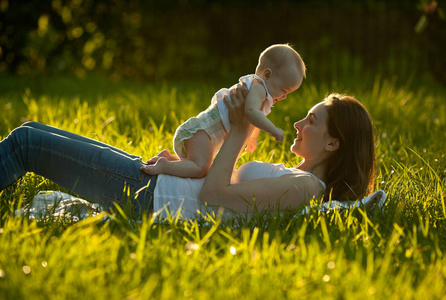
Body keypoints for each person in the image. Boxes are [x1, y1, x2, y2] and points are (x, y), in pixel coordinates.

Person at [0, 87, 375, 220]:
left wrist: (244, 126)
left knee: (26, 145)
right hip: (156, 184)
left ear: (333, 143)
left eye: (311, 120)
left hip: (149, 199)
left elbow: (213, 196)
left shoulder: (306, 187)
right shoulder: (295, 176)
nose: (297, 124)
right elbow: (217, 188)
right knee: (31, 133)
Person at [144, 44, 305, 179]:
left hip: (206, 134)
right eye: (283, 90)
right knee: (201, 169)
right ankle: (164, 166)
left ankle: (168, 158)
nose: (284, 97)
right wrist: (273, 130)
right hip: (203, 132)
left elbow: (255, 118)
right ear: (267, 75)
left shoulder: (261, 93)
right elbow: (251, 112)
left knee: (200, 168)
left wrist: (252, 138)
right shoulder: (258, 87)